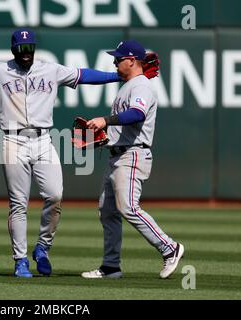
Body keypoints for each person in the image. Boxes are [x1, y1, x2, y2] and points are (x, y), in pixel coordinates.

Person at [0, 29, 159, 278]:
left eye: (30, 48)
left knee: (55, 195)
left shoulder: (50, 69)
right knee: (18, 204)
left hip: (44, 139)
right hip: (13, 139)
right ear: (14, 49)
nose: (27, 53)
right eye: (22, 48)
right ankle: (20, 260)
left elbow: (84, 75)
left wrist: (117, 76)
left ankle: (43, 246)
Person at [82, 40, 184, 279]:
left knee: (128, 207)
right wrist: (104, 138)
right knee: (107, 211)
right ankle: (111, 266)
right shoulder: (128, 86)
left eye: (118, 59)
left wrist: (105, 121)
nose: (115, 62)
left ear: (131, 61)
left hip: (133, 154)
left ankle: (169, 247)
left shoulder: (141, 86)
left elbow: (136, 114)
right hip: (118, 154)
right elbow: (125, 125)